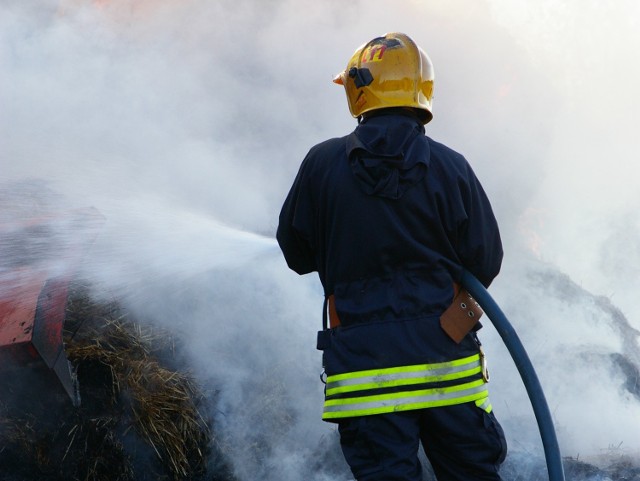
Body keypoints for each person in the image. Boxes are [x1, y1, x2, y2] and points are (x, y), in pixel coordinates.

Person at [277, 32, 507, 481]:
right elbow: (486, 258)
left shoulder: (321, 165)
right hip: (448, 372)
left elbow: (297, 254)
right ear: (422, 89)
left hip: (365, 381)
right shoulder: (449, 166)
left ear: (357, 89)